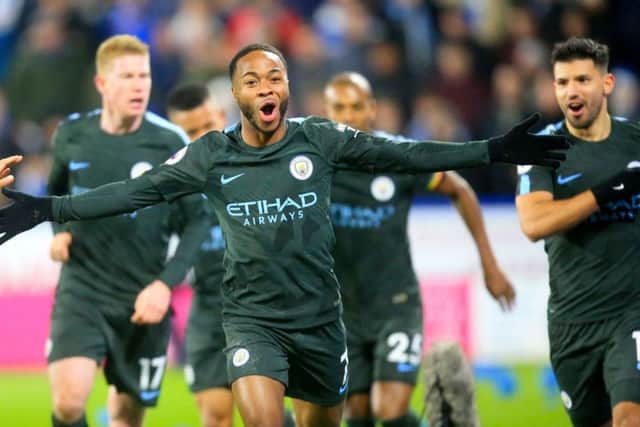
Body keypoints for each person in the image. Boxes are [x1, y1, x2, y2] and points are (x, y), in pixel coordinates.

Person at [0, 43, 567, 427]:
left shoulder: (318, 139)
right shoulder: (210, 156)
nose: (266, 86)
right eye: (252, 80)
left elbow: (406, 153)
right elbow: (133, 192)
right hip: (251, 320)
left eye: (276, 77)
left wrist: (492, 149)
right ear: (237, 96)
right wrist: (46, 208)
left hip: (320, 319)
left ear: (287, 87)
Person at [324, 71, 514, 427]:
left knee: (390, 410)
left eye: (356, 106)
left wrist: (489, 264)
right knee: (357, 414)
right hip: (340, 313)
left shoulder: (396, 157)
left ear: (372, 108)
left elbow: (459, 190)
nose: (348, 116)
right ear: (326, 110)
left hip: (395, 304)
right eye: (339, 107)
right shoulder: (315, 164)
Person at [44, 35, 209, 427]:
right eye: (128, 76)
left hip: (142, 299)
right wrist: (58, 231)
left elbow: (197, 220)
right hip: (82, 291)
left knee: (125, 415)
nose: (139, 85)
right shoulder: (72, 135)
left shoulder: (170, 142)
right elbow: (55, 194)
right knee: (68, 404)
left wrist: (165, 285)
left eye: (144, 75)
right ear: (103, 84)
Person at [516, 37, 640, 427]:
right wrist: (605, 193)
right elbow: (534, 224)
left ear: (607, 84)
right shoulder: (541, 149)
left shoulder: (635, 142)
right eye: (563, 82)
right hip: (573, 322)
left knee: (629, 418)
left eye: (583, 79)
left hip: (631, 312)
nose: (572, 90)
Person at [166, 82, 297, 427]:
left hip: (265, 310)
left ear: (221, 116)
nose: (198, 137)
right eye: (187, 131)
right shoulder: (174, 183)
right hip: (209, 314)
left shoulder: (259, 166)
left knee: (267, 414)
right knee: (215, 415)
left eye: (204, 126)